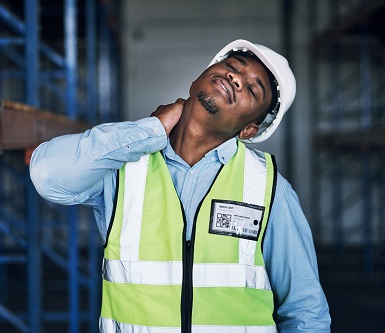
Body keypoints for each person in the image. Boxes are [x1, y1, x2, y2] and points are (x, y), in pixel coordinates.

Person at [30, 39, 331, 332]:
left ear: (249, 128)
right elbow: (46, 174)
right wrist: (150, 130)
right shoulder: (125, 167)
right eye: (232, 66)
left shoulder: (268, 188)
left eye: (252, 89)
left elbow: (305, 312)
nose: (236, 78)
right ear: (200, 76)